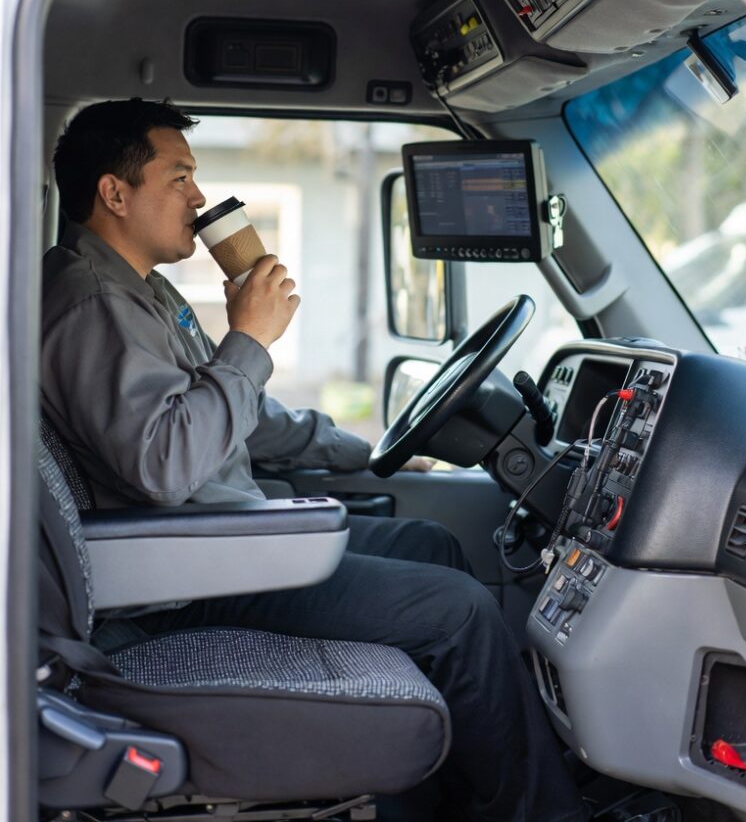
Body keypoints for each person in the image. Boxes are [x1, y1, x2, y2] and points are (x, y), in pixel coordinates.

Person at [41, 98, 589, 822]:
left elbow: (244, 417)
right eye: (180, 178)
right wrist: (249, 341)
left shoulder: (141, 289)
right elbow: (166, 466)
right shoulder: (91, 305)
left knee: (432, 544)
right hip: (187, 579)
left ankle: (459, 792)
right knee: (461, 613)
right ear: (115, 193)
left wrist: (364, 449)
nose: (200, 198)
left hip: (229, 541)